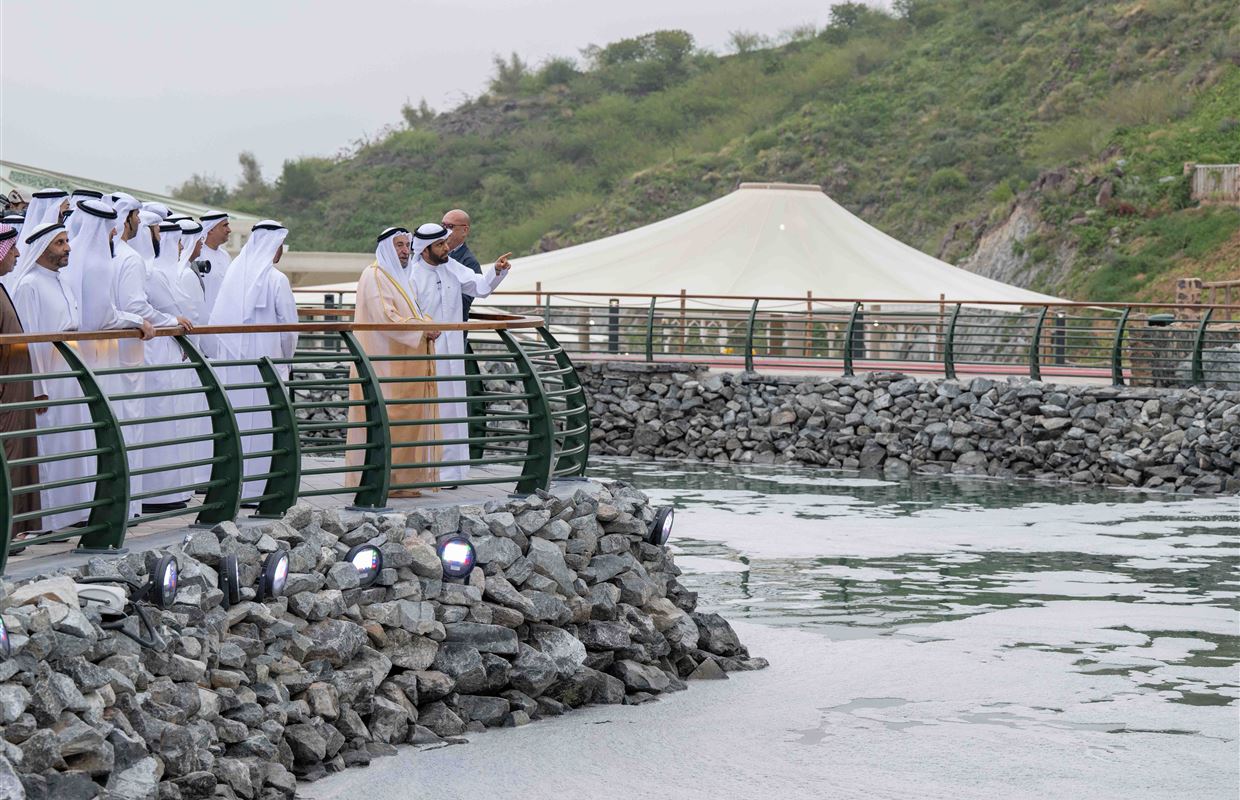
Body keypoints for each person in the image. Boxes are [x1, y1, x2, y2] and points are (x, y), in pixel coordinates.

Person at [11, 221, 153, 531]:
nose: (68, 248)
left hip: (71, 378)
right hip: (51, 383)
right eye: (60, 243)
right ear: (43, 248)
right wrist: (38, 388)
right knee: (52, 449)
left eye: (66, 241)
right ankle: (48, 521)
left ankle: (73, 514)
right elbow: (30, 344)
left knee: (74, 447)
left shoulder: (61, 281)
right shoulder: (29, 285)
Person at [108, 194, 194, 516]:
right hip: (142, 352)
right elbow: (136, 308)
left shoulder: (126, 257)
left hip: (130, 353)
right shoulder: (131, 260)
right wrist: (171, 321)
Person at [409, 222, 511, 484]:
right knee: (430, 412)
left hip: (453, 356)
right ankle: (427, 472)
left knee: (453, 410)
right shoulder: (411, 277)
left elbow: (479, 286)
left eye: (445, 243)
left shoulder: (451, 267)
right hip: (426, 356)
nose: (446, 248)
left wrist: (496, 272)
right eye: (440, 245)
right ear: (425, 249)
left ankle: (452, 473)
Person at [346, 227, 442, 495]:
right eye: (398, 245)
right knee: (386, 420)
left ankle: (403, 482)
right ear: (387, 247)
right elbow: (385, 317)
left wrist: (427, 324)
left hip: (406, 362)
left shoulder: (401, 276)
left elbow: (414, 312)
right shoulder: (375, 275)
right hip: (383, 364)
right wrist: (422, 329)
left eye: (406, 245)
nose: (403, 250)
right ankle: (384, 482)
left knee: (406, 423)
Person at [207, 220, 297, 503]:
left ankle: (237, 489)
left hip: (235, 369)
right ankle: (262, 491)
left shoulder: (235, 273)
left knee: (238, 424)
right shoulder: (276, 279)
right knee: (267, 425)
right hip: (266, 367)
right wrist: (285, 361)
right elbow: (289, 330)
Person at [0, 224, 41, 537]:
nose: (16, 254)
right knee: (9, 458)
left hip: (16, 389)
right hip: (7, 394)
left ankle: (15, 530)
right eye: (11, 248)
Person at [442, 209, 483, 322]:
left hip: (454, 329)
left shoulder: (469, 262)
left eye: (450, 226)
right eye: (443, 226)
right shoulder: (432, 256)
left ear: (464, 230)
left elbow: (463, 302)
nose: (445, 231)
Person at [199, 211, 231, 315]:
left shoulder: (225, 256)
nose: (229, 230)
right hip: (204, 322)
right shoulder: (198, 256)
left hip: (225, 318)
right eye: (225, 226)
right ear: (211, 229)